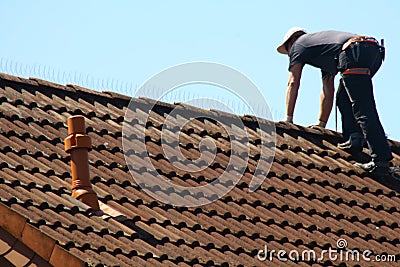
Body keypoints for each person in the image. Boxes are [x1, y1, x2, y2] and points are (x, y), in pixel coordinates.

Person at [277, 27, 392, 175]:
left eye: (288, 51)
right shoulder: (324, 51)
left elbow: (293, 82)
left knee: (362, 107)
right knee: (344, 99)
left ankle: (380, 160)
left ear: (291, 41)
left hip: (354, 51)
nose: (290, 55)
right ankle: (354, 138)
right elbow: (327, 89)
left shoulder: (298, 44)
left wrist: (288, 119)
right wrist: (321, 125)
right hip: (371, 51)